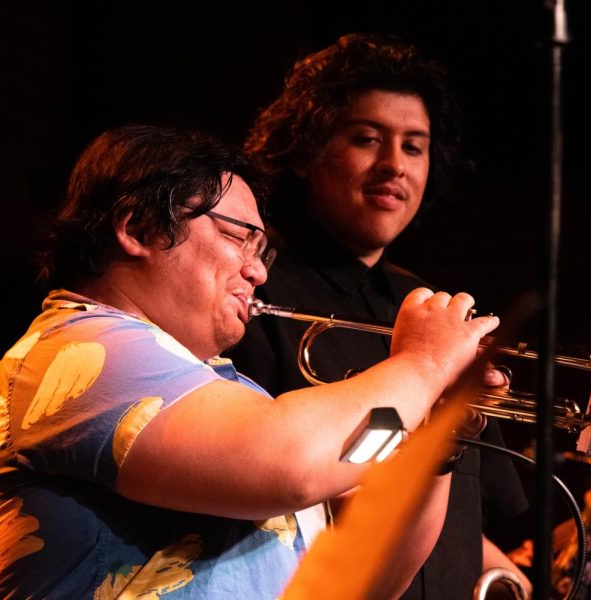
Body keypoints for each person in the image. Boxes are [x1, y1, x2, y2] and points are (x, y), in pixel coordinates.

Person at [0, 124, 504, 599]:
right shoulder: (79, 349)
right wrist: (424, 364)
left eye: (262, 250)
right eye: (237, 236)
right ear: (136, 229)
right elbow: (290, 462)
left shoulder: (228, 395)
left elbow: (370, 576)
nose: (259, 272)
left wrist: (439, 425)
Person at [227, 33, 531, 598]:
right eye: (367, 139)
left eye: (414, 147)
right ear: (303, 151)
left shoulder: (438, 309)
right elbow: (288, 482)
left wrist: (503, 573)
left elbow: (470, 512)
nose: (394, 165)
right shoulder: (253, 289)